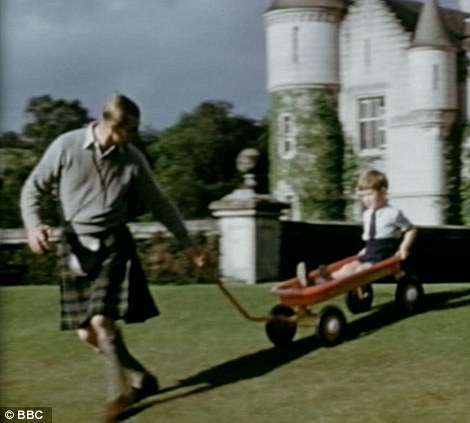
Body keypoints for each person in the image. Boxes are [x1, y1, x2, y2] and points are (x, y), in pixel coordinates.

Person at [20, 94, 207, 422]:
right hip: (74, 243)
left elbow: (160, 204)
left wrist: (188, 244)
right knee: (87, 334)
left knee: (102, 323)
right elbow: (32, 187)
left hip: (113, 243)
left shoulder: (132, 158)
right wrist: (34, 226)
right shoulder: (67, 146)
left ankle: (117, 397)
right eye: (132, 129)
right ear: (113, 125)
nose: (136, 135)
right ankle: (141, 378)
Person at [298, 169, 417, 287]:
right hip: (369, 254)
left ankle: (325, 280)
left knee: (360, 271)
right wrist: (365, 249)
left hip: (383, 256)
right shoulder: (367, 214)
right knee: (348, 267)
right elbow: (371, 238)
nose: (367, 199)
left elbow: (411, 229)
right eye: (363, 196)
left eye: (370, 194)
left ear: (383, 192)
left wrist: (403, 248)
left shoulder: (393, 213)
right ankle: (317, 281)